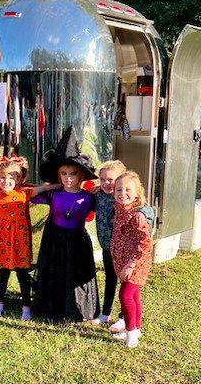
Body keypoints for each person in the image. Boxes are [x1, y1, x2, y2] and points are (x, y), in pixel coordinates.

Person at [0, 156, 59, 321]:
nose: (5, 181)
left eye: (10, 178)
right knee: (4, 273)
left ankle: (26, 307)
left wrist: (63, 185)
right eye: (2, 177)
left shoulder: (24, 193)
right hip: (2, 240)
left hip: (20, 240)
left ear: (19, 179)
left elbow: (43, 188)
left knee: (22, 274)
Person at [34, 126, 100, 322]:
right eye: (63, 173)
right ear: (58, 175)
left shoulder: (88, 198)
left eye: (73, 173)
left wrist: (102, 189)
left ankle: (76, 309)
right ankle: (53, 306)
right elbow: (29, 195)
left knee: (74, 273)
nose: (68, 178)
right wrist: (50, 186)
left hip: (77, 240)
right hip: (54, 238)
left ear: (81, 175)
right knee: (55, 271)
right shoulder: (53, 194)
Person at [110, 171, 154, 348]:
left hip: (135, 263)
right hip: (122, 261)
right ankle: (136, 328)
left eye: (128, 189)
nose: (123, 193)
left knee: (126, 295)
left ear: (137, 193)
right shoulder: (119, 210)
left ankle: (131, 335)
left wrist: (131, 264)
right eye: (118, 189)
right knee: (134, 295)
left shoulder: (137, 215)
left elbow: (145, 243)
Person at [90, 160, 127, 329]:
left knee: (125, 281)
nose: (106, 183)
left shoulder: (125, 198)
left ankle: (123, 316)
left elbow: (144, 208)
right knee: (110, 279)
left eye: (110, 179)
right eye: (102, 179)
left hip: (124, 248)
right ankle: (105, 313)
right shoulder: (98, 195)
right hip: (106, 246)